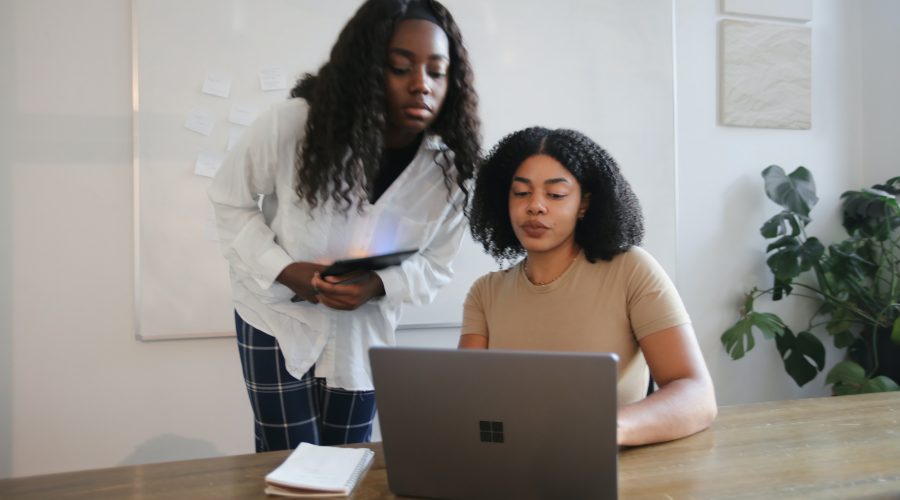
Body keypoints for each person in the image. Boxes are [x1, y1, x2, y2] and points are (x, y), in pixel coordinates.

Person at [209, 0, 481, 452]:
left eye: (437, 72)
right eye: (400, 68)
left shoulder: (451, 171)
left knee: (347, 463)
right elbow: (229, 202)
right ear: (366, 70)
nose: (421, 86)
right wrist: (285, 268)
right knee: (287, 464)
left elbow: (437, 264)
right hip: (276, 317)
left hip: (362, 334)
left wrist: (376, 284)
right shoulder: (292, 127)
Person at [459, 127, 716, 446]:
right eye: (522, 193)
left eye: (555, 194)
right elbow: (468, 404)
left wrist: (609, 429)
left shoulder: (631, 270)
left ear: (584, 204)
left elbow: (697, 394)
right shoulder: (486, 293)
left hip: (611, 470)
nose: (535, 206)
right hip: (513, 464)